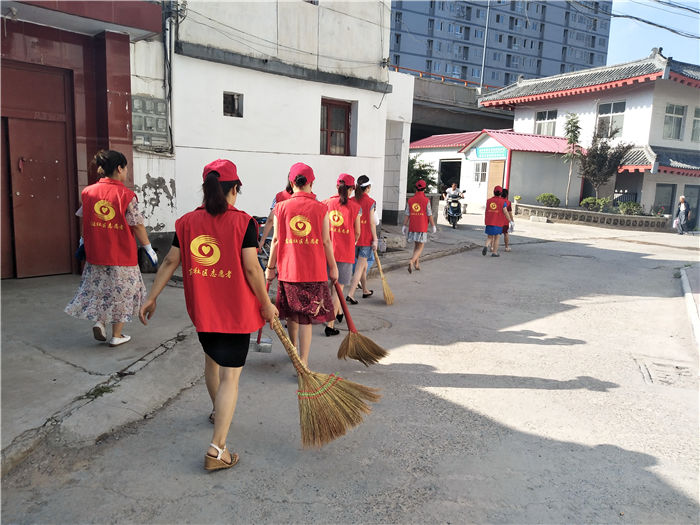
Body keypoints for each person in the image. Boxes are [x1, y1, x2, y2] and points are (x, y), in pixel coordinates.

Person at [139, 159, 277, 471]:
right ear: (235, 189)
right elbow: (252, 268)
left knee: (211, 362)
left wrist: (151, 297)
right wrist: (267, 303)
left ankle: (218, 412)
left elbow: (170, 262)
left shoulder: (186, 222)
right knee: (231, 377)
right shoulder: (244, 223)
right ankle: (217, 450)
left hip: (203, 313)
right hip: (236, 314)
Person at [65, 150, 158, 347]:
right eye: (126, 169)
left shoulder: (88, 192)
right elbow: (137, 224)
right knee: (122, 293)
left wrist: (83, 241)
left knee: (101, 290)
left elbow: (86, 219)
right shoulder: (126, 195)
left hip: (95, 254)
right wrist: (148, 248)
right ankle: (117, 335)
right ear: (119, 168)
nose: (126, 173)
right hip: (121, 255)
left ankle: (100, 321)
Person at [265, 162, 338, 367]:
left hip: (289, 271)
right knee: (306, 318)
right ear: (311, 183)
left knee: (292, 315)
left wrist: (270, 269)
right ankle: (303, 360)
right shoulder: (321, 208)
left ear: (291, 182)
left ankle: (293, 351)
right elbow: (326, 241)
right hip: (313, 272)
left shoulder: (281, 207)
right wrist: (332, 267)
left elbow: (277, 240)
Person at [323, 174, 361, 336]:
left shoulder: (326, 203)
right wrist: (352, 242)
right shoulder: (355, 207)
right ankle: (330, 325)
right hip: (345, 252)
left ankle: (337, 313)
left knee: (331, 286)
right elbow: (358, 232)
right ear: (352, 189)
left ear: (337, 186)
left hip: (327, 252)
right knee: (337, 290)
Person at [346, 175, 378, 304]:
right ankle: (351, 294)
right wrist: (375, 238)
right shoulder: (371, 202)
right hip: (365, 239)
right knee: (360, 268)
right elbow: (372, 223)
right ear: (368, 188)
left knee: (363, 267)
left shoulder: (351, 200)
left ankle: (365, 290)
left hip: (353, 238)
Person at [402, 179, 437, 272]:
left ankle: (417, 264)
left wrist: (404, 225)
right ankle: (412, 261)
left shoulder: (410, 200)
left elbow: (407, 214)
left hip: (413, 226)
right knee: (420, 247)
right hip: (422, 227)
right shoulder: (426, 200)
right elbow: (429, 214)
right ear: (424, 189)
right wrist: (433, 225)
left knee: (416, 245)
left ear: (416, 189)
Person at [258, 181, 293, 250]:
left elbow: (271, 219)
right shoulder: (313, 200)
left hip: (283, 241)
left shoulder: (280, 196)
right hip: (305, 242)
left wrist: (262, 241)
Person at [482, 185, 512, 258]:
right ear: (501, 193)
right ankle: (495, 253)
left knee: (489, 237)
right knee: (497, 238)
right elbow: (505, 212)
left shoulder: (488, 201)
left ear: (493, 192)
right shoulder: (502, 202)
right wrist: (510, 221)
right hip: (498, 222)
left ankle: (486, 245)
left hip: (489, 221)